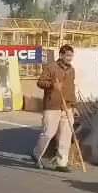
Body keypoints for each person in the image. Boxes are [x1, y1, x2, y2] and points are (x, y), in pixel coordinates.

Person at [33, 45, 78, 173]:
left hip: (67, 106)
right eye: (68, 55)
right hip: (52, 106)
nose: (70, 58)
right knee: (48, 133)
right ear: (61, 55)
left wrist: (73, 105)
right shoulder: (51, 67)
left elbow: (71, 88)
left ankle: (61, 163)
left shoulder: (71, 70)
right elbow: (40, 82)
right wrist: (52, 85)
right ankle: (37, 153)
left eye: (71, 56)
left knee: (66, 135)